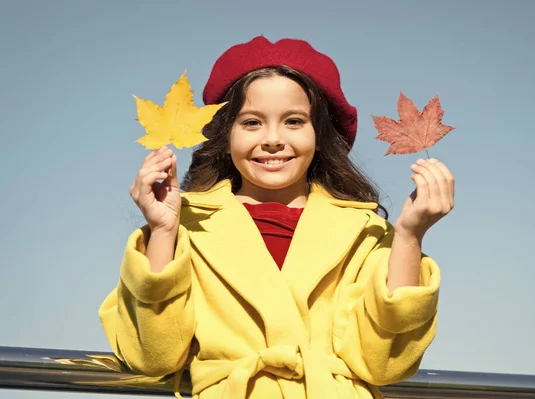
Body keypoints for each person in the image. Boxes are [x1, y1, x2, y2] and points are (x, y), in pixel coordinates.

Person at [98, 36, 454, 399]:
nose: (272, 139)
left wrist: (409, 236)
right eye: (251, 123)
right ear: (225, 134)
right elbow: (152, 357)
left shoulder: (365, 233)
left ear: (319, 134)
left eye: (294, 121)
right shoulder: (185, 225)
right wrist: (162, 230)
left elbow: (383, 364)